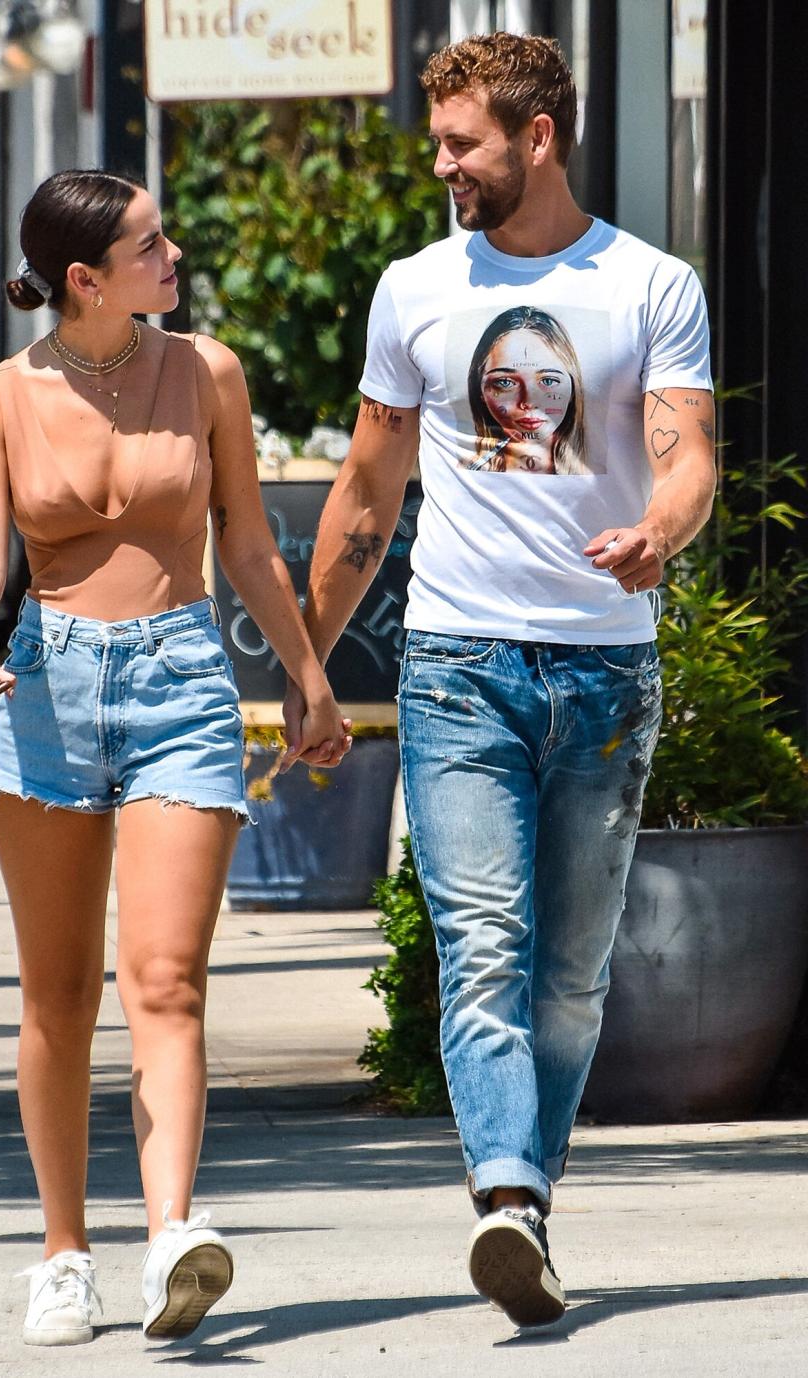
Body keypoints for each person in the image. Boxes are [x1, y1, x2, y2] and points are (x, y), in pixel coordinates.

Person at [285, 32, 716, 1328]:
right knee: (484, 944)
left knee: (573, 976)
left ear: (537, 138)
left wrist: (663, 532)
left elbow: (686, 455)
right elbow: (370, 483)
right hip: (459, 661)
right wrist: (309, 662)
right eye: (439, 141)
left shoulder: (650, 284)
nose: (442, 164)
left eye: (461, 142)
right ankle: (509, 1198)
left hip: (604, 672)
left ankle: (529, 1196)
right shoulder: (415, 288)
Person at [0, 169, 351, 1348]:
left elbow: (251, 542)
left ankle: (173, 1230)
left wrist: (309, 677)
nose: (175, 256)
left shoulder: (206, 371)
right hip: (48, 685)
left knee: (165, 982)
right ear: (86, 280)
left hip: (180, 680)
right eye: (150, 244)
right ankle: (64, 1256)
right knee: (57, 995)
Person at [466, 305, 589, 474]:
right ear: (479, 391)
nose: (528, 402)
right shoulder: (463, 470)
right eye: (505, 382)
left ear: (573, 389)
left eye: (548, 380)